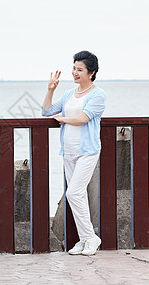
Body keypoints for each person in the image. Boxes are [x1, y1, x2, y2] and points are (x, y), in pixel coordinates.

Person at [41, 51, 106, 256]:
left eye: (80, 69)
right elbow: (46, 111)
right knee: (77, 196)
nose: (75, 73)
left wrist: (63, 119)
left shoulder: (98, 95)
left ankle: (91, 238)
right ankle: (85, 239)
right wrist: (51, 89)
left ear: (91, 72)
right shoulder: (69, 94)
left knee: (74, 193)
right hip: (68, 151)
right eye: (74, 68)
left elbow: (83, 118)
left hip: (87, 151)